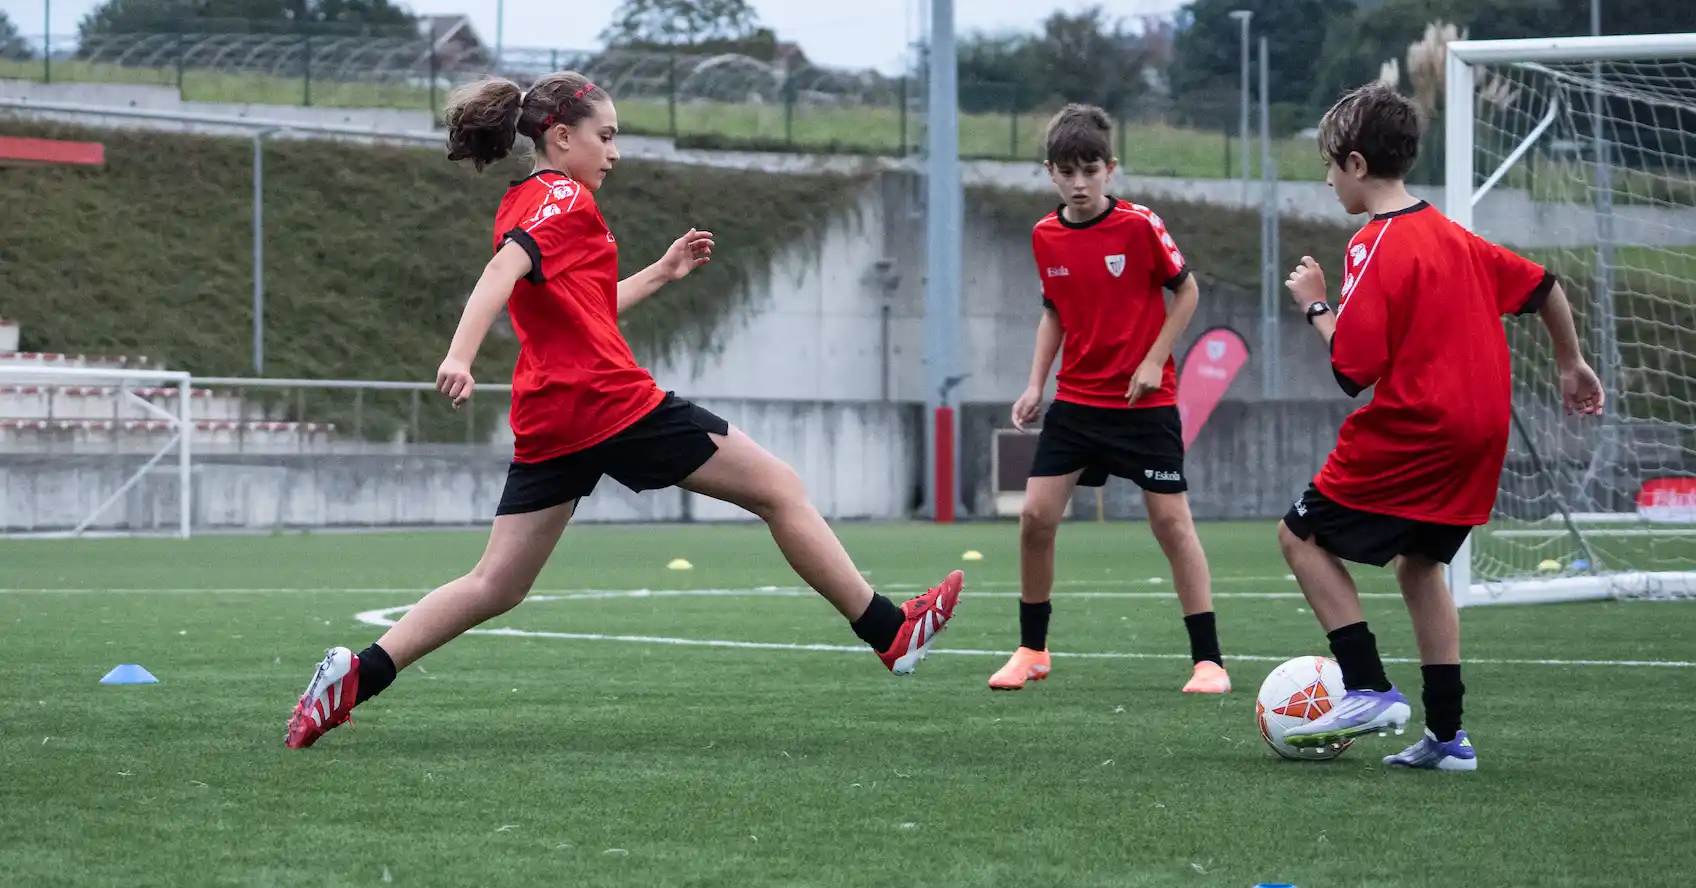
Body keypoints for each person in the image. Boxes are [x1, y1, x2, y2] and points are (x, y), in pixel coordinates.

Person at [285, 71, 963, 748]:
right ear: (560, 137)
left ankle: (356, 677)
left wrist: (661, 274)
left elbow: (583, 305)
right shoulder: (562, 199)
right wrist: (459, 356)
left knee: (496, 582)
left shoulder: (525, 198)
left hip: (553, 416)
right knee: (781, 490)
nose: (613, 152)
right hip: (609, 402)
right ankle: (889, 631)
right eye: (604, 137)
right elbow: (501, 274)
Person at [1276, 84, 1603, 771]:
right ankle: (1449, 738)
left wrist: (1315, 306)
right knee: (1422, 565)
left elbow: (1352, 368)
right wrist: (1572, 364)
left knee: (1299, 534)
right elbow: (1545, 288)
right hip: (1482, 431)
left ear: (1358, 164)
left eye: (1330, 166)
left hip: (1419, 424)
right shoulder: (1456, 236)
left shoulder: (1373, 243)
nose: (1328, 180)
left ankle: (1366, 686)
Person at [990, 104, 1229, 695]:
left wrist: (1153, 360)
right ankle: (1032, 650)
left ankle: (1209, 662)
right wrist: (1034, 383)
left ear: (1109, 169)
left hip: (1143, 405)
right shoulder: (1045, 235)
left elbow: (1188, 292)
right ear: (1050, 172)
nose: (1078, 182)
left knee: (1171, 524)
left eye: (1089, 169)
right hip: (1076, 403)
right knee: (1035, 518)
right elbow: (1054, 312)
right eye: (1067, 171)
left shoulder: (1140, 225)